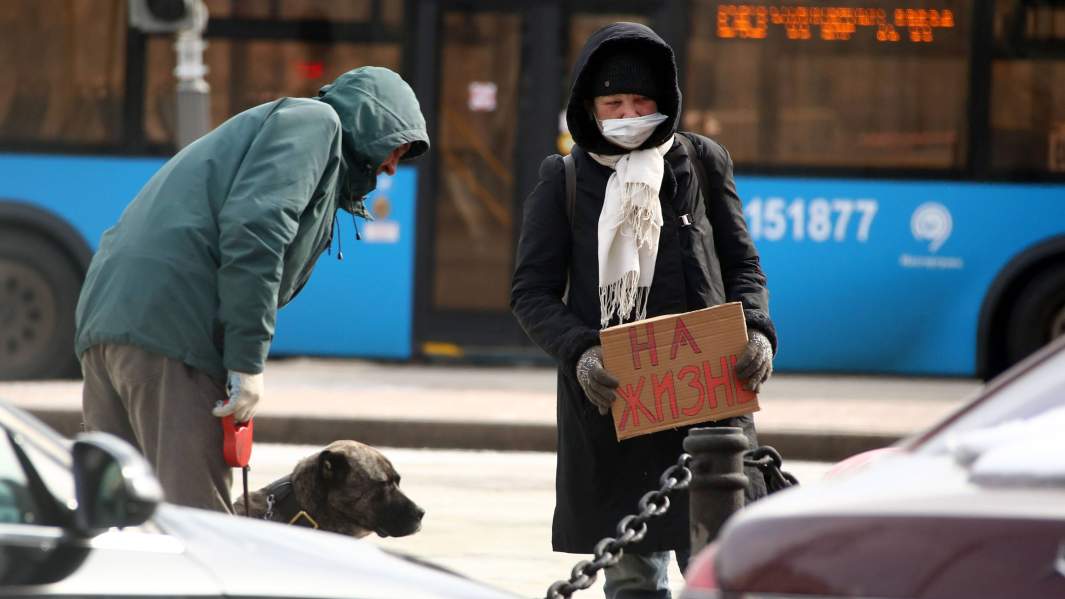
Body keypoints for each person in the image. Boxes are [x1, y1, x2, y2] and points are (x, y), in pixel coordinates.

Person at [75, 66, 429, 513]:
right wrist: (246, 361)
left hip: (111, 323)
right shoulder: (316, 124)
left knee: (116, 518)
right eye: (394, 147)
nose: (392, 166)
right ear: (373, 119)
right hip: (174, 332)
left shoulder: (289, 131)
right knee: (196, 525)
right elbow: (255, 232)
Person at [510, 23, 776, 598]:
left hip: (710, 414)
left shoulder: (701, 163)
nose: (629, 111)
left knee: (721, 575)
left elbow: (743, 268)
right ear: (590, 108)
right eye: (614, 102)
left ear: (665, 101)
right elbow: (530, 292)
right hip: (617, 413)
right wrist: (581, 352)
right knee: (632, 581)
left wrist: (757, 331)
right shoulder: (564, 180)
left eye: (640, 100)